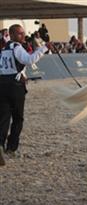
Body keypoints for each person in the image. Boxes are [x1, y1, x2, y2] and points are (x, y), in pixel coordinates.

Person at [0, 24, 53, 166]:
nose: (23, 36)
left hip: (2, 86)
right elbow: (29, 60)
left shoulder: (3, 50)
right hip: (15, 88)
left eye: (23, 33)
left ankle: (0, 145)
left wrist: (21, 75)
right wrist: (45, 48)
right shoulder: (17, 48)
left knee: (4, 118)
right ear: (11, 35)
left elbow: (7, 68)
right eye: (19, 34)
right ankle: (11, 148)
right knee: (18, 118)